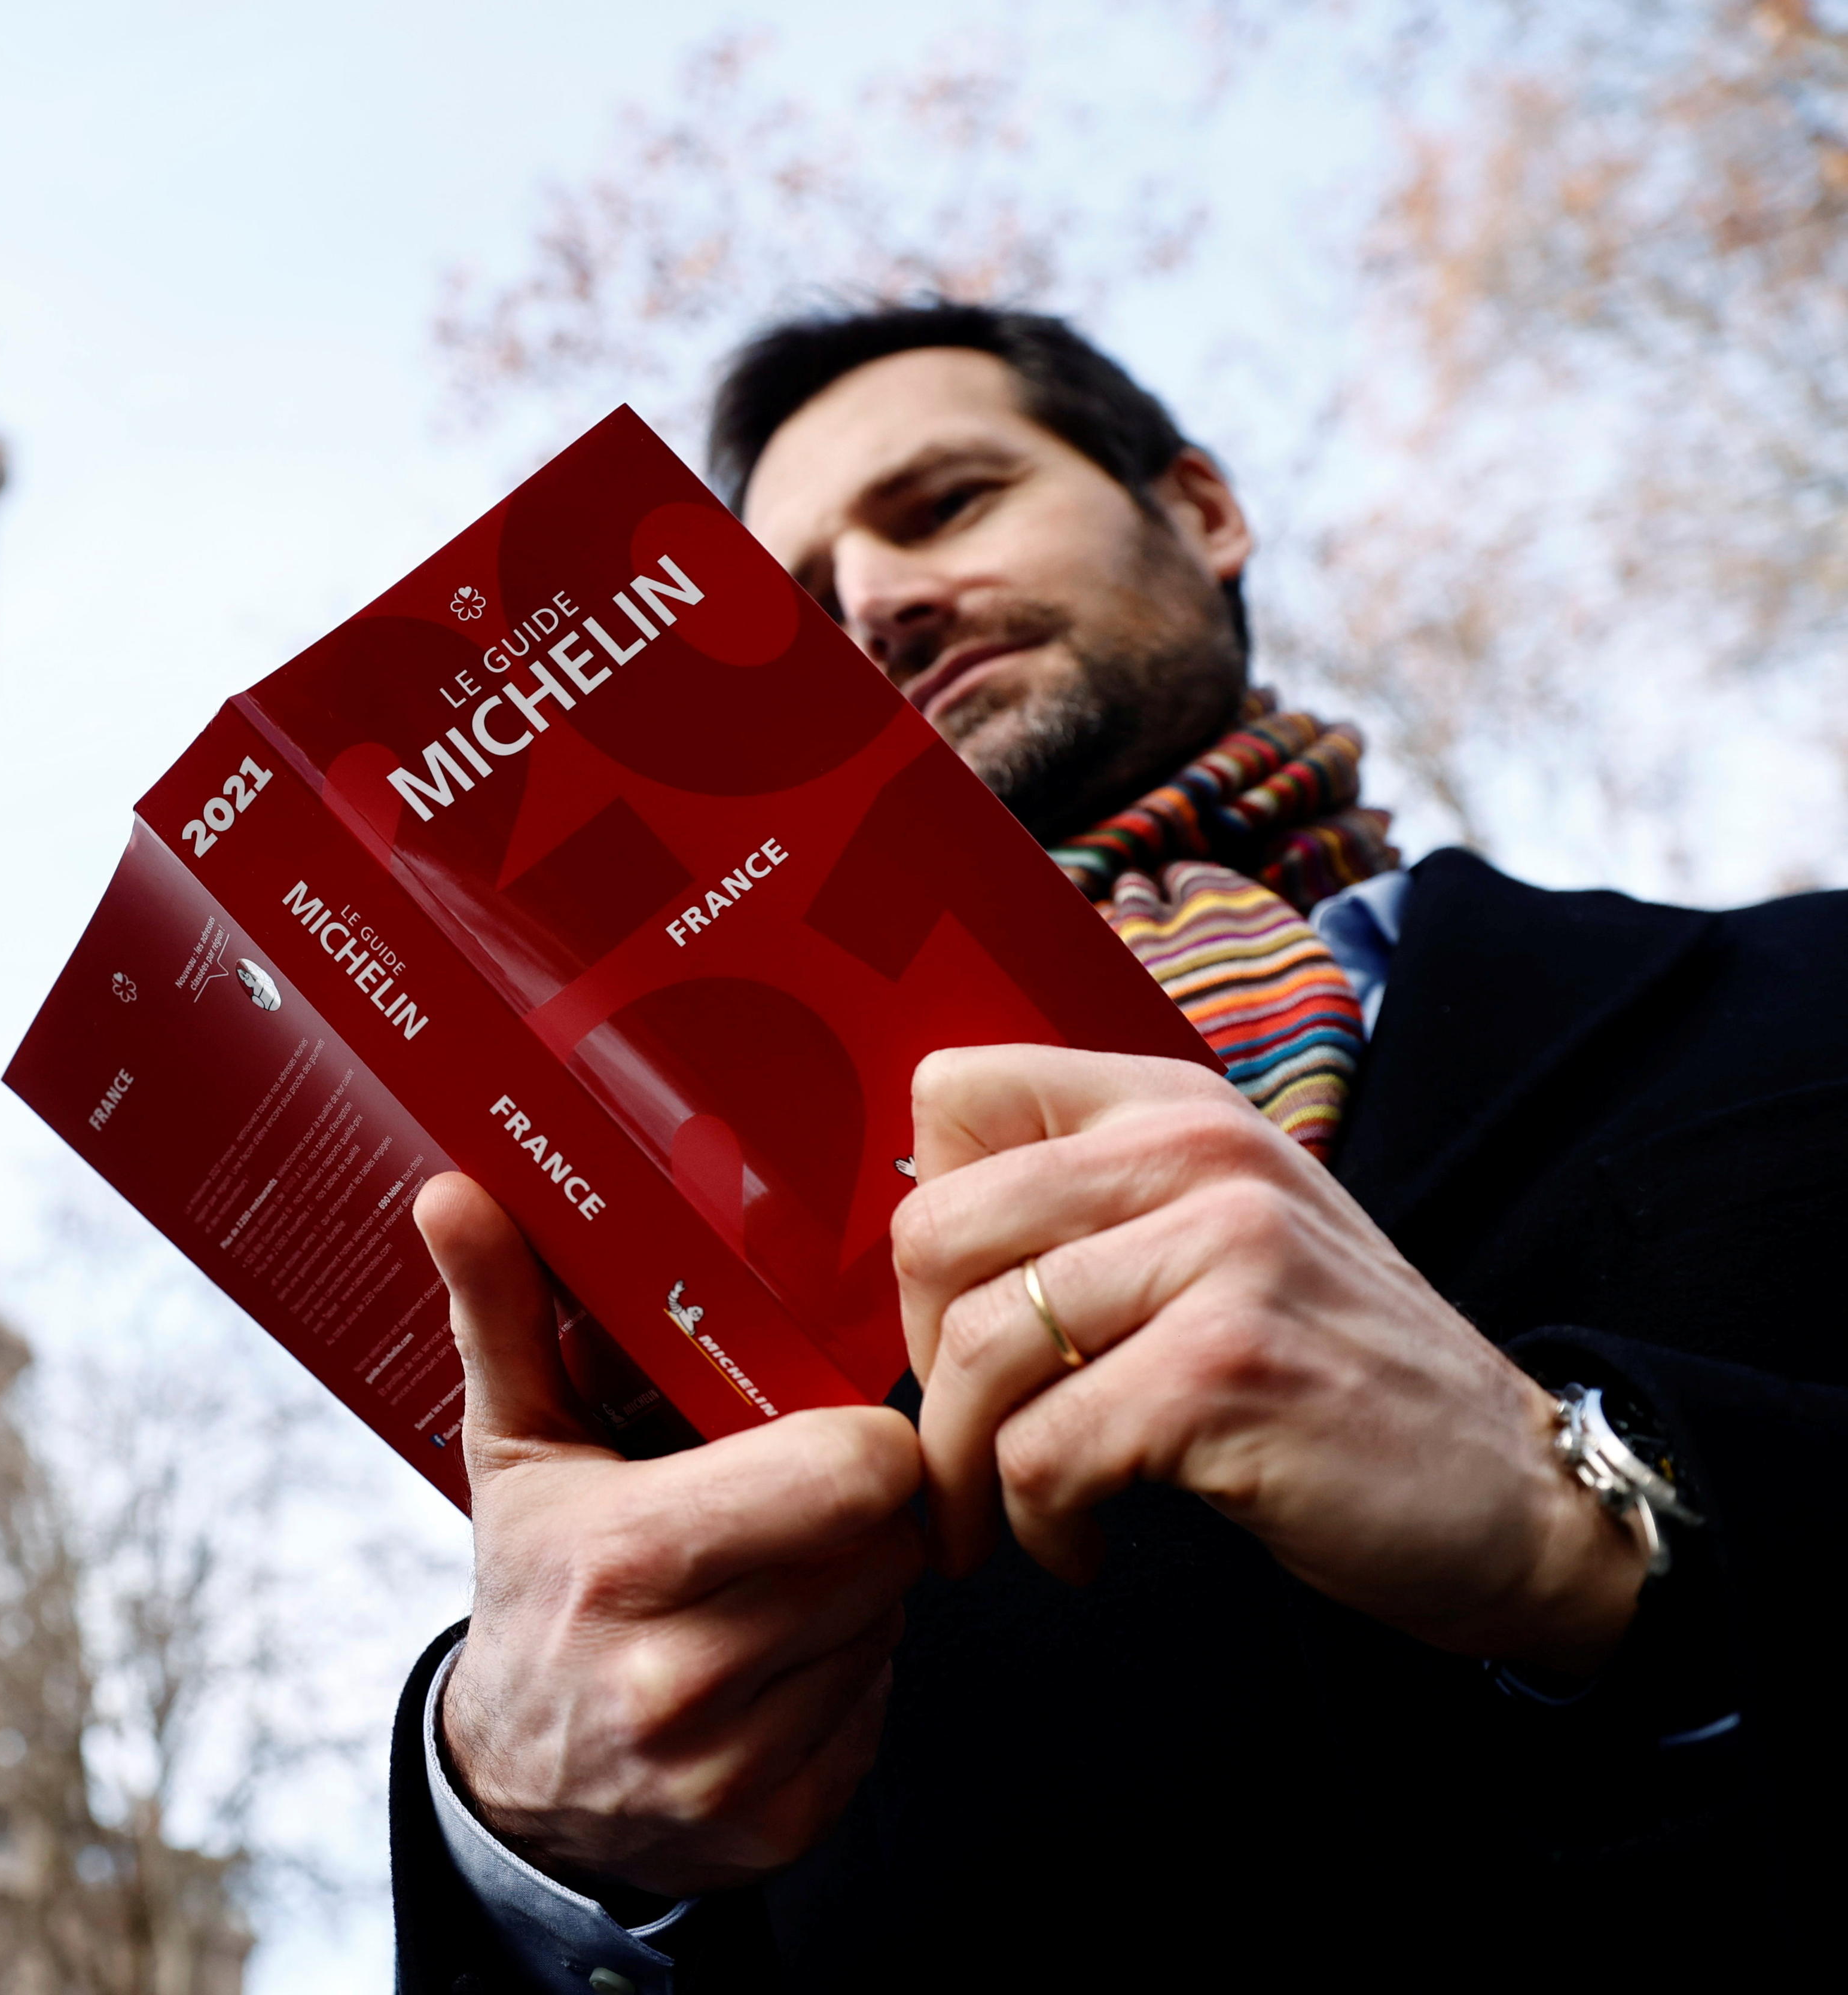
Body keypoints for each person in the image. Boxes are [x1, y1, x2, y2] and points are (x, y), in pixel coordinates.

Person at [389, 303, 1848, 1988]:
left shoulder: (1805, 992)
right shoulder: (699, 1321)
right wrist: (524, 1834)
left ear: (1204, 510)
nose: (877, 601)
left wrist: (1596, 1522)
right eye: (796, 613)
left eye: (942, 503)